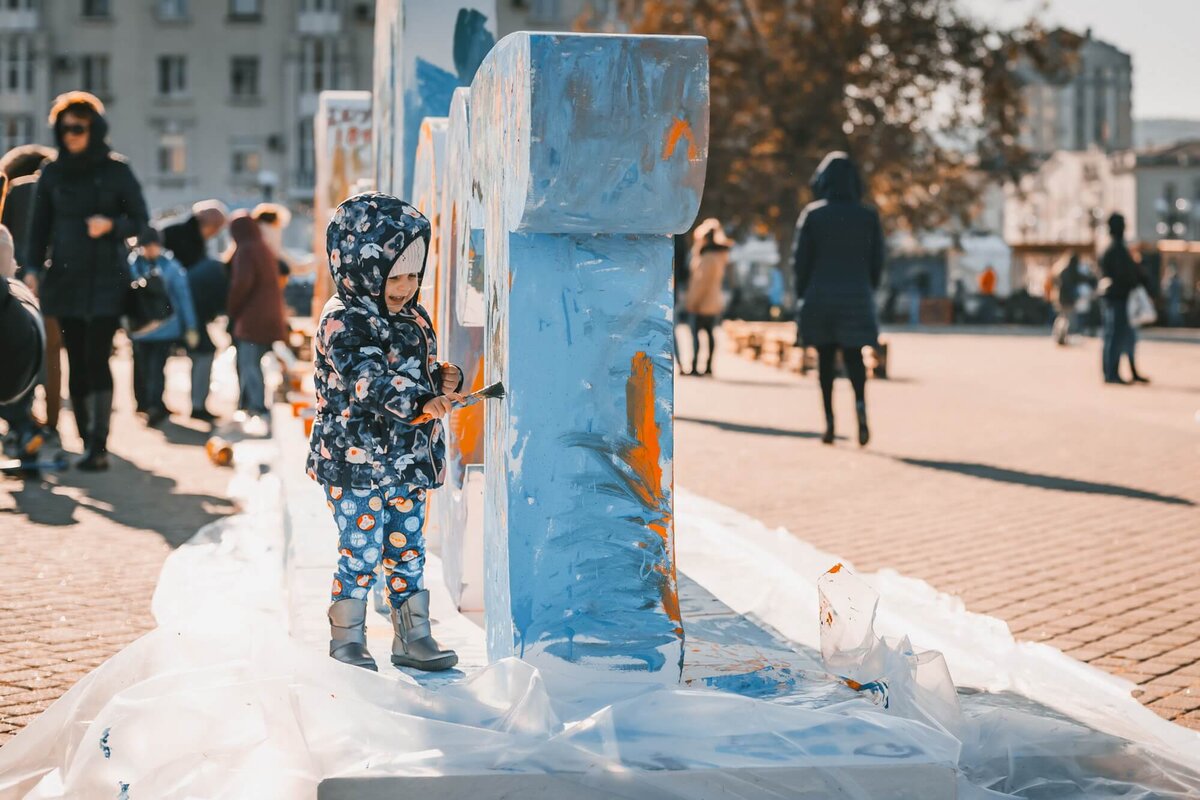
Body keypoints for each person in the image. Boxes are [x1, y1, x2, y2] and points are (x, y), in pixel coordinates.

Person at [308, 193, 463, 673]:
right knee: (361, 548)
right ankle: (347, 639)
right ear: (361, 271)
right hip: (354, 461)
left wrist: (440, 380)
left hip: (407, 459)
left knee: (407, 548)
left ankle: (413, 637)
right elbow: (367, 378)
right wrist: (417, 403)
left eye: (413, 275)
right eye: (393, 276)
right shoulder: (342, 320)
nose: (405, 286)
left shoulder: (414, 316)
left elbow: (414, 370)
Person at [22, 92, 149, 471]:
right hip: (64, 278)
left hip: (108, 279)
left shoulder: (117, 170)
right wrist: (30, 268)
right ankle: (84, 440)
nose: (71, 135)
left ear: (94, 128)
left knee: (98, 357)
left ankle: (100, 443)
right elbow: (37, 229)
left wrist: (112, 226)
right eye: (65, 129)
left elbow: (141, 222)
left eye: (78, 127)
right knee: (76, 359)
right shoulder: (53, 173)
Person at [791, 151, 883, 446]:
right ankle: (860, 407)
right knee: (855, 357)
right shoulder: (868, 216)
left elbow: (800, 262)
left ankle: (829, 424)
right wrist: (867, 288)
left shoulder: (814, 215)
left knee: (826, 361)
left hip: (820, 296)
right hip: (856, 295)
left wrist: (802, 294)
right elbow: (877, 260)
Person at [1, 144, 60, 446]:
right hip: (47, 282)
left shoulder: (10, 193)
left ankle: (22, 422)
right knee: (47, 353)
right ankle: (46, 422)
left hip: (12, 282)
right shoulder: (54, 193)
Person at [160, 200, 227, 421]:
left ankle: (152, 404)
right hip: (176, 308)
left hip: (173, 306)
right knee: (201, 351)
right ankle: (195, 406)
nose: (215, 234)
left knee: (155, 356)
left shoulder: (177, 233)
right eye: (216, 230)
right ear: (209, 225)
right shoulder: (185, 240)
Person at [128, 228, 198, 427]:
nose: (150, 250)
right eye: (146, 245)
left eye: (153, 245)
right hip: (140, 329)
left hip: (164, 328)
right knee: (141, 368)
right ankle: (145, 404)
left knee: (156, 367)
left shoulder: (171, 267)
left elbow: (183, 298)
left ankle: (154, 404)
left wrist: (190, 326)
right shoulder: (132, 266)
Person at [226, 212, 287, 420]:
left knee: (248, 362)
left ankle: (257, 404)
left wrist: (232, 308)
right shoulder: (263, 248)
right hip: (269, 314)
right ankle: (251, 402)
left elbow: (241, 284)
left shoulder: (246, 250)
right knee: (256, 361)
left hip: (252, 317)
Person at [1099, 213, 1149, 385]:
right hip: (1119, 297)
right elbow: (1126, 274)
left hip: (1114, 296)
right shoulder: (1117, 249)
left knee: (1114, 335)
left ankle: (1112, 372)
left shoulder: (1110, 248)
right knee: (1116, 335)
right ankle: (1112, 373)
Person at [683, 218, 731, 376]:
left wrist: (692, 301)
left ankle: (696, 366)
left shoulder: (706, 257)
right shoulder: (720, 256)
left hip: (702, 302)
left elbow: (700, 282)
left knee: (696, 334)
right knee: (710, 334)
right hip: (714, 300)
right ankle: (709, 365)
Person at [161, 200, 228, 272]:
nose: (216, 233)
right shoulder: (177, 234)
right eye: (217, 227)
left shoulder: (198, 241)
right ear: (211, 227)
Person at [1052, 253, 1082, 346]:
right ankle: (1061, 337)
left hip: (1061, 299)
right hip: (1066, 299)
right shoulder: (1067, 271)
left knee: (1062, 318)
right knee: (1067, 319)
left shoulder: (1062, 269)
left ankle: (1061, 337)